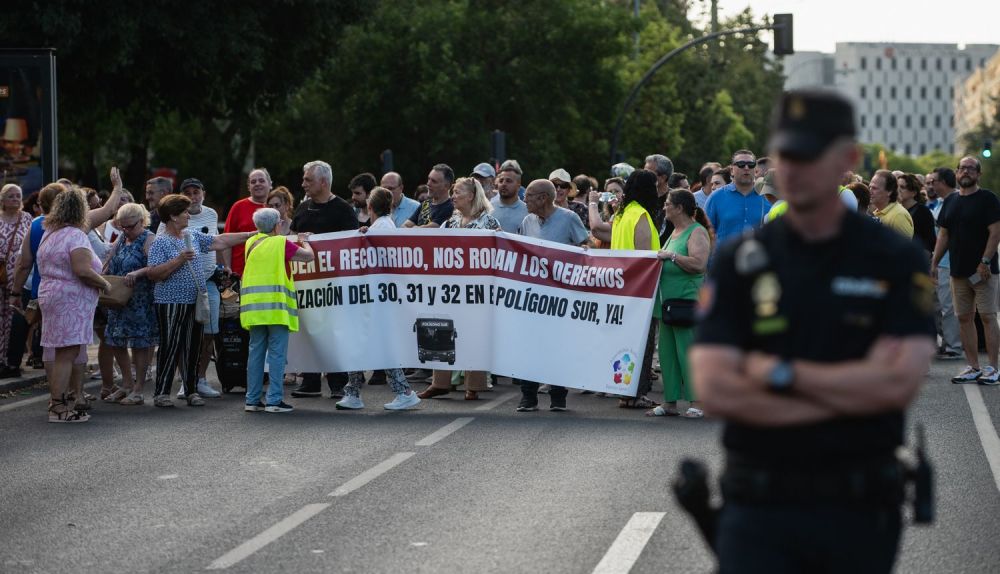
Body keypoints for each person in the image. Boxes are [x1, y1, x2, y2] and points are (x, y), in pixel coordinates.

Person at [691, 89, 935, 572]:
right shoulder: (741, 262)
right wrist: (850, 386)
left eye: (810, 154)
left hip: (857, 509)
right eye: (786, 153)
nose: (794, 167)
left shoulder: (895, 259)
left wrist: (775, 372)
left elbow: (896, 384)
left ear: (848, 160)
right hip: (758, 505)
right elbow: (716, 389)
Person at [146, 194, 255, 408]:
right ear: (173, 217)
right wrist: (179, 259)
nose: (188, 215)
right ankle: (161, 392)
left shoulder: (192, 235)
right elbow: (153, 274)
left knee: (193, 345)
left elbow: (219, 241)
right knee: (170, 346)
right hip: (170, 301)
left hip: (193, 300)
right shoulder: (160, 242)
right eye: (184, 212)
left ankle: (191, 390)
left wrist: (252, 234)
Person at [336, 188, 421, 411]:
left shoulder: (382, 227)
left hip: (375, 300)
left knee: (371, 346)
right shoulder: (383, 226)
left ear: (370, 207)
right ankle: (356, 391)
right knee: (368, 345)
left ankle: (401, 392)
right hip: (374, 299)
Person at [417, 178, 498, 401]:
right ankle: (440, 383)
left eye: (458, 192)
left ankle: (473, 386)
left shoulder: (489, 222)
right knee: (442, 329)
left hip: (476, 289)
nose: (453, 196)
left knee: (473, 333)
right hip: (450, 287)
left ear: (471, 196)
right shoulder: (450, 222)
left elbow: (501, 252)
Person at [37, 187, 112, 422]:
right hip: (70, 299)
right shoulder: (75, 235)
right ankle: (58, 407)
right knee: (66, 354)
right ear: (81, 210)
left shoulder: (50, 233)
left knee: (60, 352)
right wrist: (104, 284)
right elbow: (81, 270)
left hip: (51, 295)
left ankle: (57, 402)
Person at [513, 179, 589, 412]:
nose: (525, 200)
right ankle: (528, 396)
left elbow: (586, 248)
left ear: (544, 198)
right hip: (532, 296)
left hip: (561, 297)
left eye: (529, 197)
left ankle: (558, 396)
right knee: (529, 347)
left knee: (558, 347)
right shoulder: (527, 221)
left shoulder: (569, 218)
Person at [591, 169, 661, 409]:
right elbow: (644, 256)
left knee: (625, 342)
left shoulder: (621, 214)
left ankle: (622, 390)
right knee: (643, 342)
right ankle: (636, 393)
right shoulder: (640, 215)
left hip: (621, 286)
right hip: (640, 289)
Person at [289, 160, 359, 399]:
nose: (303, 184)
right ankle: (310, 380)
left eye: (308, 179)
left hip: (333, 284)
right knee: (308, 330)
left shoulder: (343, 209)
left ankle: (338, 381)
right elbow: (291, 237)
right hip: (306, 284)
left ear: (324, 182)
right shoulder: (302, 208)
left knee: (334, 333)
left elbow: (351, 244)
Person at [932, 157, 1000, 385]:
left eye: (972, 169)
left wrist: (986, 261)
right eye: (962, 168)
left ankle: (993, 368)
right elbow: (944, 235)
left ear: (978, 174)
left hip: (983, 271)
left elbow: (995, 232)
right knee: (963, 318)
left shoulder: (988, 199)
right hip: (957, 271)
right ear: (957, 172)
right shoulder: (951, 201)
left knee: (988, 317)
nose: (966, 172)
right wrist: (934, 262)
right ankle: (973, 366)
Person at [241, 208, 316, 413]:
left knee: (255, 354)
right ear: (276, 225)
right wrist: (304, 240)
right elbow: (308, 257)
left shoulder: (251, 243)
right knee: (276, 355)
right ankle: (274, 400)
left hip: (254, 309)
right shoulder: (281, 243)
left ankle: (252, 399)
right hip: (276, 309)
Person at [648, 189, 710, 418]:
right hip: (668, 305)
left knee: (687, 352)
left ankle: (698, 402)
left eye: (667, 203)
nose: (664, 207)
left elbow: (699, 264)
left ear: (679, 207)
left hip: (686, 302)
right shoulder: (675, 231)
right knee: (667, 354)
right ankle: (670, 402)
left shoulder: (696, 232)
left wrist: (671, 257)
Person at [168, 178, 223, 399]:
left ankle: (200, 379)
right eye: (188, 192)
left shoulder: (211, 214)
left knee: (209, 332)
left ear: (203, 193)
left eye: (196, 192)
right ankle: (185, 380)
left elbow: (216, 242)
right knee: (185, 332)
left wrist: (224, 267)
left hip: (208, 279)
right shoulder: (173, 214)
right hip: (182, 281)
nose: (192, 196)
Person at [103, 202, 157, 405]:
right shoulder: (122, 238)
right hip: (118, 298)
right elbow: (109, 261)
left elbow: (155, 266)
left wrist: (138, 272)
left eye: (130, 226)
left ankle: (138, 388)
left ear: (142, 221)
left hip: (140, 300)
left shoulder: (149, 239)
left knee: (140, 343)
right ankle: (126, 383)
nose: (126, 230)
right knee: (115, 339)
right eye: (122, 226)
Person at [705, 150, 771, 249]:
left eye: (751, 164)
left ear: (755, 169)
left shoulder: (766, 197)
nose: (746, 168)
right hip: (724, 262)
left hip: (758, 261)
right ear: (732, 170)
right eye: (741, 164)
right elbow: (705, 234)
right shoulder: (715, 198)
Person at [928, 167, 962, 360]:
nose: (931, 185)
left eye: (934, 181)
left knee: (949, 306)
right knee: (939, 305)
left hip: (950, 261)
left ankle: (954, 347)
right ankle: (947, 343)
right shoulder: (942, 202)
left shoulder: (955, 200)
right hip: (940, 261)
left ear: (943, 182)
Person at [0, 184, 32, 378]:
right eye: (10, 196)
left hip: (20, 278)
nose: (15, 199)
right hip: (0, 275)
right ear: (2, 200)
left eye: (18, 196)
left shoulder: (27, 218)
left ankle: (12, 362)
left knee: (17, 321)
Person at [223, 168, 271, 275]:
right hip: (241, 272)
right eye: (253, 182)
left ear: (270, 184)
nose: (257, 184)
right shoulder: (238, 207)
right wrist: (228, 268)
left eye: (261, 180)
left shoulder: (276, 207)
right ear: (249, 187)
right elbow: (226, 241)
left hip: (270, 270)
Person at [404, 164, 455, 228]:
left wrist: (415, 228)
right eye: (429, 179)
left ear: (446, 186)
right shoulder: (425, 204)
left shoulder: (451, 207)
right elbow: (404, 226)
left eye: (434, 181)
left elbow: (431, 230)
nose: (428, 183)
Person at [898, 173, 935, 255]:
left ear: (913, 192)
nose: (898, 190)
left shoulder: (923, 212)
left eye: (902, 187)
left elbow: (929, 243)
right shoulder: (894, 209)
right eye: (896, 186)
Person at [869, 170, 914, 238]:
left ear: (889, 191)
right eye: (870, 187)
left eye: (875, 188)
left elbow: (904, 247)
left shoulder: (899, 215)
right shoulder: (876, 213)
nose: (870, 191)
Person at [489, 163, 529, 233]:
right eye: (501, 181)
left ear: (518, 186)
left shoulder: (528, 212)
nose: (504, 184)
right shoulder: (487, 209)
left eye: (508, 181)